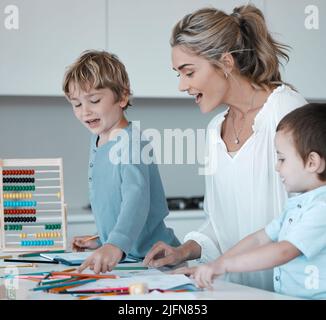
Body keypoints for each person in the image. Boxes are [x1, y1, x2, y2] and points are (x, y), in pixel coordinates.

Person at [143, 4, 307, 290]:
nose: (182, 85)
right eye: (177, 74)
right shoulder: (214, 131)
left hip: (290, 292)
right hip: (239, 292)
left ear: (226, 63)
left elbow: (312, 218)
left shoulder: (285, 112)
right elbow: (219, 226)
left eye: (189, 72)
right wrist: (185, 250)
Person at [177, 103, 326, 299]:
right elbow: (259, 238)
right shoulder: (298, 205)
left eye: (282, 159)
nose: (276, 166)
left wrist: (225, 265)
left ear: (312, 162)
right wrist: (216, 265)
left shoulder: (321, 208)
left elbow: (284, 251)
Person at [62, 50, 180, 273]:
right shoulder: (98, 139)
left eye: (94, 100)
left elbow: (136, 200)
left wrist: (115, 244)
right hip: (131, 259)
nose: (85, 111)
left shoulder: (131, 142)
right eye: (76, 104)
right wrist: (102, 240)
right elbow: (112, 202)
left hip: (157, 260)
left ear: (122, 97)